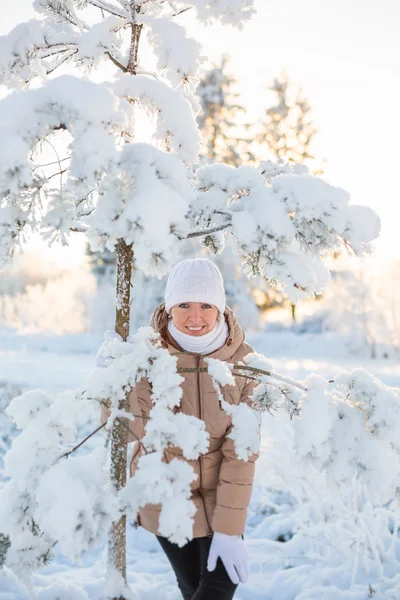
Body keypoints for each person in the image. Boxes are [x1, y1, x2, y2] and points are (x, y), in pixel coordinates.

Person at [100, 258, 260, 600]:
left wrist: (229, 532)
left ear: (220, 308)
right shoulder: (146, 357)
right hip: (167, 495)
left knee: (216, 588)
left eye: (206, 305)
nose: (195, 316)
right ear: (169, 308)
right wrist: (113, 381)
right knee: (192, 589)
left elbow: (241, 452)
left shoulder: (244, 363)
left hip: (222, 492)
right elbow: (126, 433)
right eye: (184, 305)